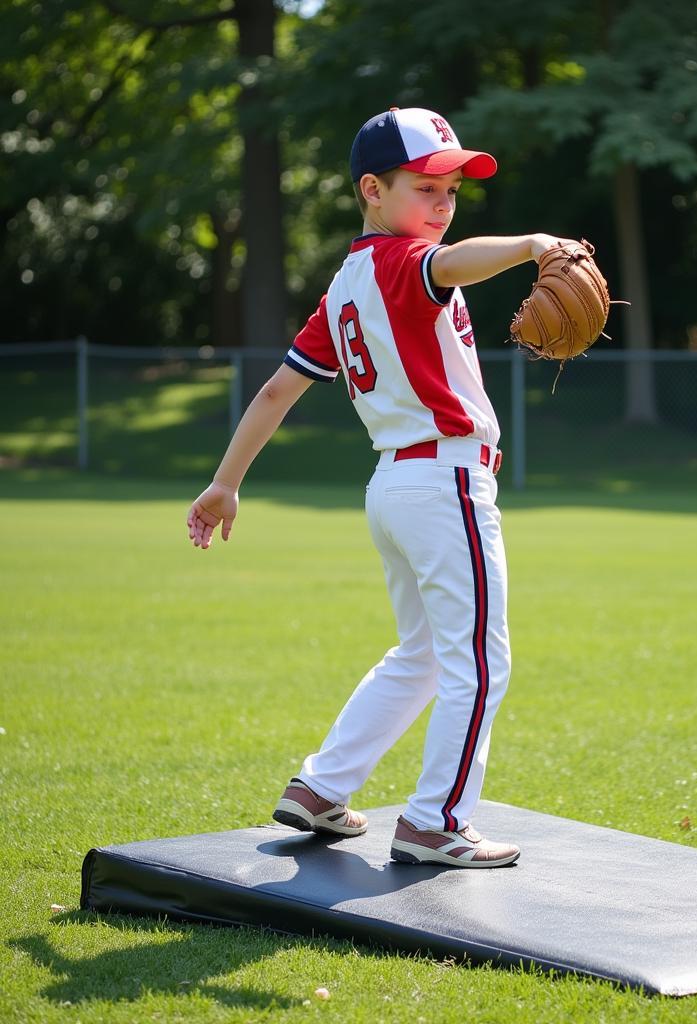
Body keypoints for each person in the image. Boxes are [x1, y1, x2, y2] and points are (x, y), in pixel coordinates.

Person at [187, 106, 572, 868]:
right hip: (444, 482)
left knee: (424, 654)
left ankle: (321, 787)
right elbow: (453, 263)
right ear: (372, 189)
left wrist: (225, 482)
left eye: (452, 188)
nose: (443, 201)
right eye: (426, 184)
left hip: (396, 487)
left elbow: (275, 391)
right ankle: (436, 821)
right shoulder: (403, 262)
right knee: (479, 662)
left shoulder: (344, 287)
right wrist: (533, 245)